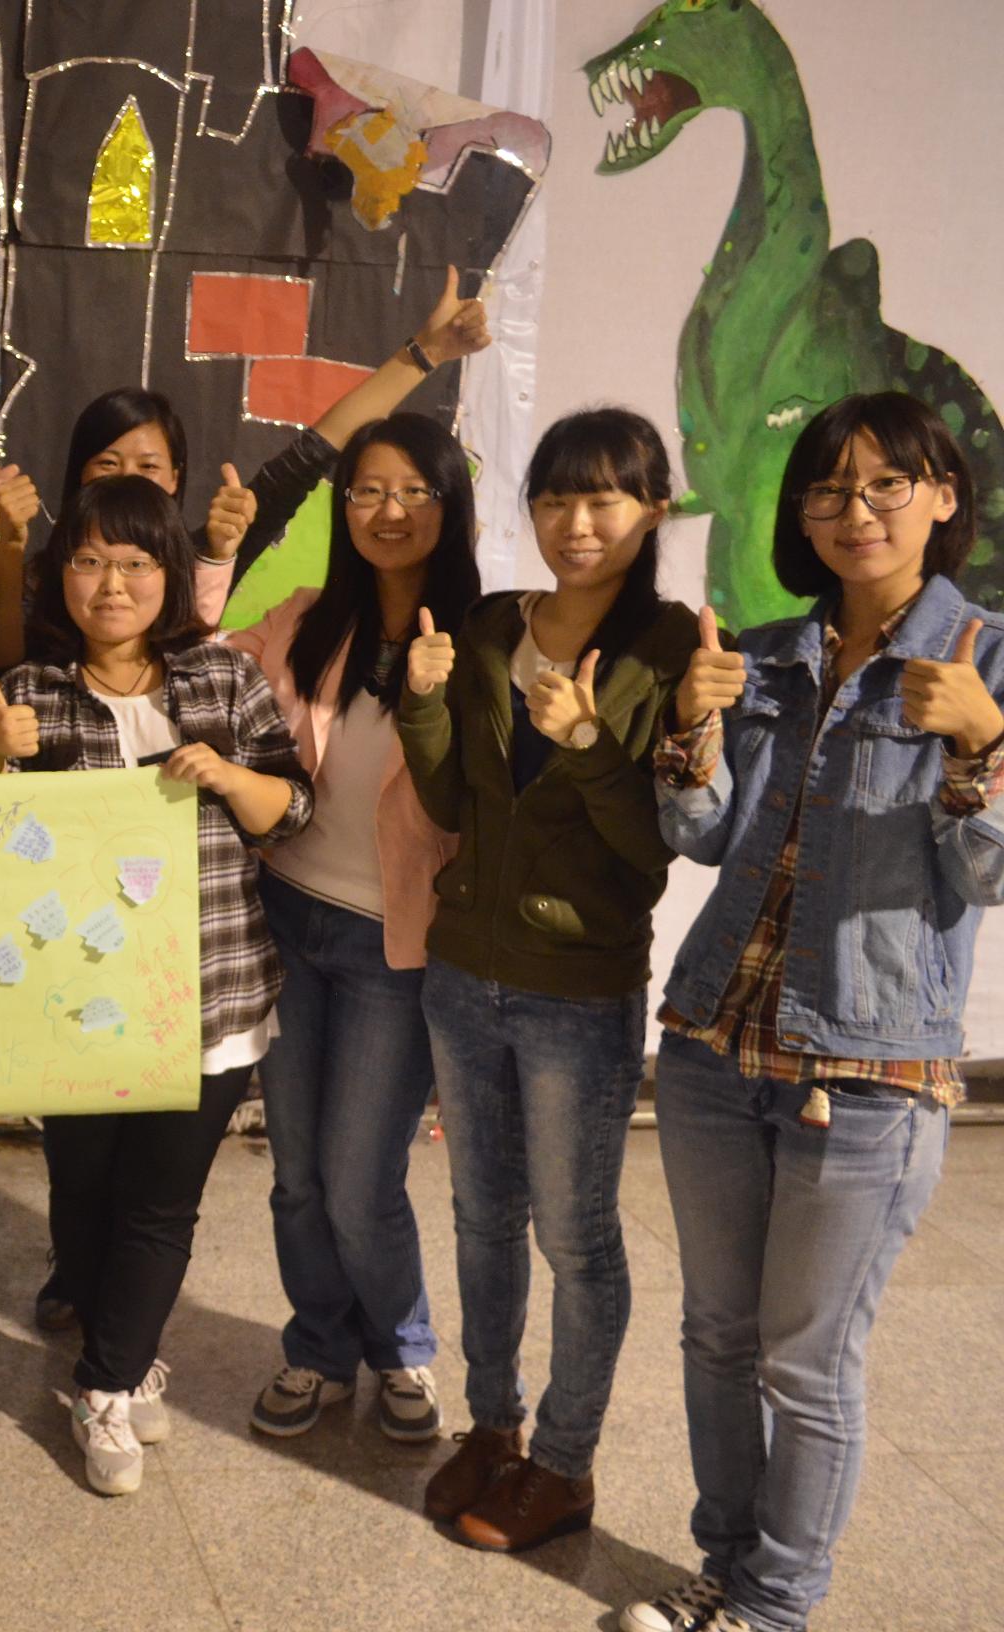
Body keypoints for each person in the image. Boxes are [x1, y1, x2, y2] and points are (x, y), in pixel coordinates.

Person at [26, 266, 492, 1330]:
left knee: (342, 1177)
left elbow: (308, 462)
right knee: (186, 1161)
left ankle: (388, 1346)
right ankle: (158, 1298)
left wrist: (423, 355)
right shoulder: (81, 578)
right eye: (107, 468)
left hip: (318, 934)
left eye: (151, 469)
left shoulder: (459, 634)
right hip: (183, 915)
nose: (130, 490)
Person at [619, 393, 1004, 1632]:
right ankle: (723, 1570)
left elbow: (987, 875)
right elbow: (703, 836)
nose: (856, 510)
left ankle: (775, 1606)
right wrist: (691, 729)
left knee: (806, 1361)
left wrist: (982, 748)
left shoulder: (988, 662)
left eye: (887, 483)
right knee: (716, 1338)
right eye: (829, 489)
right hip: (713, 1044)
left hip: (867, 1070)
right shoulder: (772, 653)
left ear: (942, 496)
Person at [397, 407, 701, 1551]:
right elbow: (448, 803)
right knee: (481, 1217)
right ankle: (493, 1428)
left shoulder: (671, 651)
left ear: (651, 511)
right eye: (555, 499)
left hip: (577, 989)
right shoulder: (489, 625)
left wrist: (586, 743)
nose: (576, 524)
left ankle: (564, 1466)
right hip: (462, 970)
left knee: (575, 1238)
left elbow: (654, 847)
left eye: (604, 499)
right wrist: (422, 701)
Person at [0, 475, 313, 1495]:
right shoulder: (27, 691)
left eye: (133, 561)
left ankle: (108, 1383)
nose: (110, 583)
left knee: (162, 1202)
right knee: (83, 1188)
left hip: (207, 993)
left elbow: (291, 808)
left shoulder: (224, 677)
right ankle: (120, 1335)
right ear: (59, 574)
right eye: (87, 560)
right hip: (75, 1004)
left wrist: (229, 777)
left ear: (169, 572)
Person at [185, 415, 480, 1443]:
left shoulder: (483, 638)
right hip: (285, 920)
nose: (387, 512)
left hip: (395, 947)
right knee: (297, 1178)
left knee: (360, 1183)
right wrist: (217, 556)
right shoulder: (309, 618)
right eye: (366, 491)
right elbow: (195, 660)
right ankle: (318, 1347)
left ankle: (400, 1347)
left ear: (449, 505)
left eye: (412, 492)